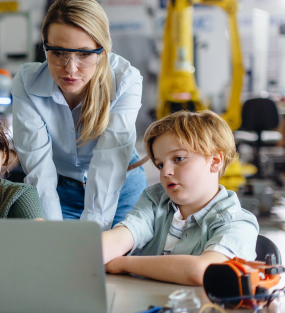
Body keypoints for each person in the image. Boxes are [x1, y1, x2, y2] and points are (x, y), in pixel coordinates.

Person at [12, 0, 147, 229]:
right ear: (44, 46)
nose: (70, 69)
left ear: (102, 51)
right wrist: (54, 235)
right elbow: (39, 169)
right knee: (54, 256)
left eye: (84, 54)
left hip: (121, 188)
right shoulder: (27, 82)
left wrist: (89, 238)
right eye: (59, 53)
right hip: (58, 192)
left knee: (116, 263)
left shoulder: (125, 80)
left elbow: (109, 164)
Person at [102, 110, 259, 286]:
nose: (165, 172)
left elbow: (201, 271)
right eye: (160, 164)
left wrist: (123, 264)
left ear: (215, 161)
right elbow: (119, 239)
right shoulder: (155, 200)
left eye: (179, 158)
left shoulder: (237, 223)